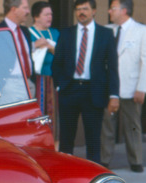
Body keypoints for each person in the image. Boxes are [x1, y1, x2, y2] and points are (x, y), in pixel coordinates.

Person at [51, 0, 119, 163]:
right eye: (78, 9)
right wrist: (59, 86)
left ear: (94, 11)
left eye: (85, 9)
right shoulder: (66, 33)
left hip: (93, 91)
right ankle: (65, 173)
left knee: (93, 139)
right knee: (66, 138)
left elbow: (112, 67)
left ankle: (92, 177)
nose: (81, 12)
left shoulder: (105, 34)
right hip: (70, 90)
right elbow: (57, 63)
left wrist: (114, 94)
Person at [101, 0, 146, 172]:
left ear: (124, 10)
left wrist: (142, 88)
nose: (110, 11)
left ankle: (136, 160)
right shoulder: (107, 30)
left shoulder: (143, 31)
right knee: (106, 125)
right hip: (109, 88)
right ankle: (104, 160)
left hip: (131, 88)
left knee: (132, 125)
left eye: (113, 8)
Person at [29, 1, 59, 138]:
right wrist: (35, 45)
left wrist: (52, 48)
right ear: (36, 17)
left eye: (51, 14)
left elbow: (64, 54)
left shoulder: (54, 33)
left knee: (52, 116)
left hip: (53, 79)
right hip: (35, 80)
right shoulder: (28, 33)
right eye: (46, 14)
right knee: (37, 114)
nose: (50, 17)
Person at [0, 0, 33, 81]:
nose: (28, 11)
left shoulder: (25, 31)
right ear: (14, 10)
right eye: (25, 8)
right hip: (9, 83)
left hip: (29, 82)